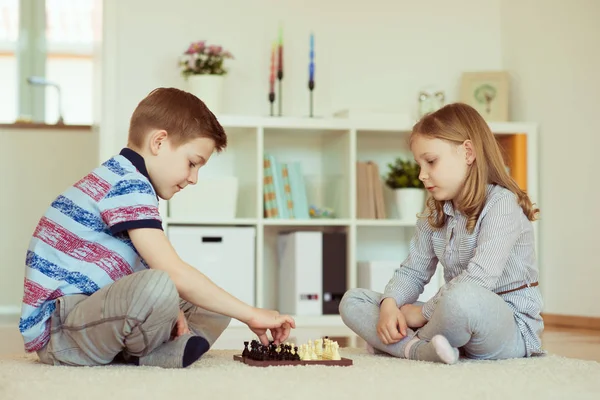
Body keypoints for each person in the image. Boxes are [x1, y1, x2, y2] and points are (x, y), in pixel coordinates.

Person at [19, 87, 295, 368]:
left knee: (212, 303)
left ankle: (155, 350)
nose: (194, 178)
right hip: (63, 332)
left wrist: (173, 304)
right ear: (159, 142)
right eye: (192, 163)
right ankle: (153, 351)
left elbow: (136, 269)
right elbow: (169, 272)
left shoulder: (129, 179)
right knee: (164, 284)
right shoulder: (126, 182)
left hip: (95, 314)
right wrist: (251, 314)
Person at [339, 103, 544, 364]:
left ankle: (406, 345)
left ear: (468, 152)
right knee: (353, 300)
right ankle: (425, 349)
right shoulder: (435, 213)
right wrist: (389, 305)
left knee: (462, 298)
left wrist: (423, 313)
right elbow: (413, 271)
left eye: (431, 161)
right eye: (419, 164)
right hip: (449, 319)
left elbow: (480, 280)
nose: (422, 175)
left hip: (508, 327)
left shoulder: (502, 204)